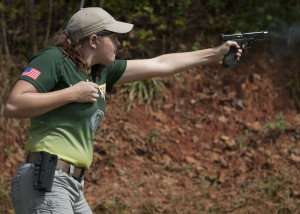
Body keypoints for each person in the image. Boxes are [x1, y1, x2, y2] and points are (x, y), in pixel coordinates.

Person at [4, 7, 242, 214]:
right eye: (114, 37)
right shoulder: (54, 58)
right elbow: (14, 105)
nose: (119, 43)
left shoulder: (100, 72)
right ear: (94, 40)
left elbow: (161, 64)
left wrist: (215, 53)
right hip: (47, 182)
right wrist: (72, 94)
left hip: (72, 186)